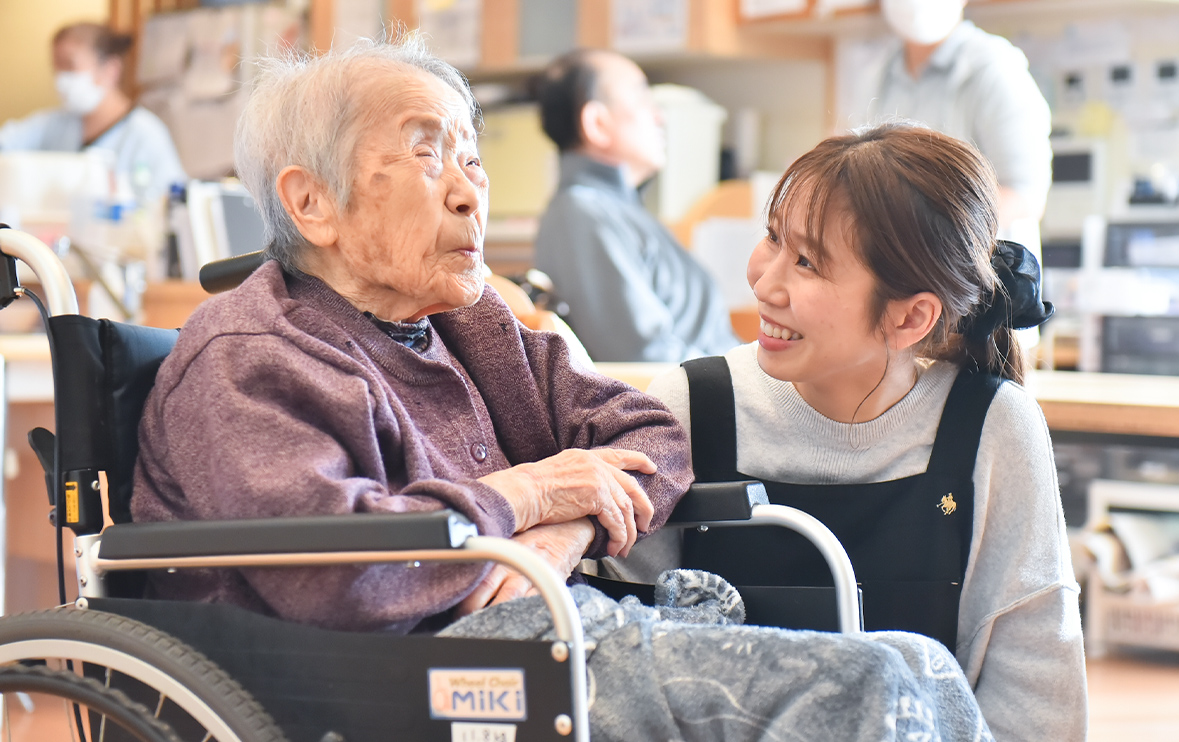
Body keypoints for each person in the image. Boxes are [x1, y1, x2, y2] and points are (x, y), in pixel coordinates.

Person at [132, 38, 994, 740]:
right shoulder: (252, 357)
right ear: (312, 203)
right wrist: (532, 490)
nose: (472, 192)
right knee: (864, 688)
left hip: (547, 628)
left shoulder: (473, 326)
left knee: (919, 663)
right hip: (402, 683)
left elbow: (655, 434)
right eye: (431, 154)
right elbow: (339, 578)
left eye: (472, 157)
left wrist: (565, 530)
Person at [647, 123, 1086, 741]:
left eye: (806, 262)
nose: (765, 282)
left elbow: (1036, 690)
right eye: (772, 238)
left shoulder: (992, 429)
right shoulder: (688, 409)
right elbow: (625, 665)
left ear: (909, 317)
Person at [534, 49, 741, 363]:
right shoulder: (582, 215)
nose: (660, 116)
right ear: (597, 123)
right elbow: (644, 357)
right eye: (644, 99)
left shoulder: (617, 209)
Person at [868, 0, 1051, 239]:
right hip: (896, 269)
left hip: (979, 269)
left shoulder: (997, 70)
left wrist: (929, 227)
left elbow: (1026, 196)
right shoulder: (875, 76)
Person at [0, 22, 186, 197]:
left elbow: (172, 201)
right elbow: (6, 142)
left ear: (110, 69)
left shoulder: (145, 134)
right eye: (57, 66)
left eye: (70, 66)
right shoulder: (56, 124)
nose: (61, 79)